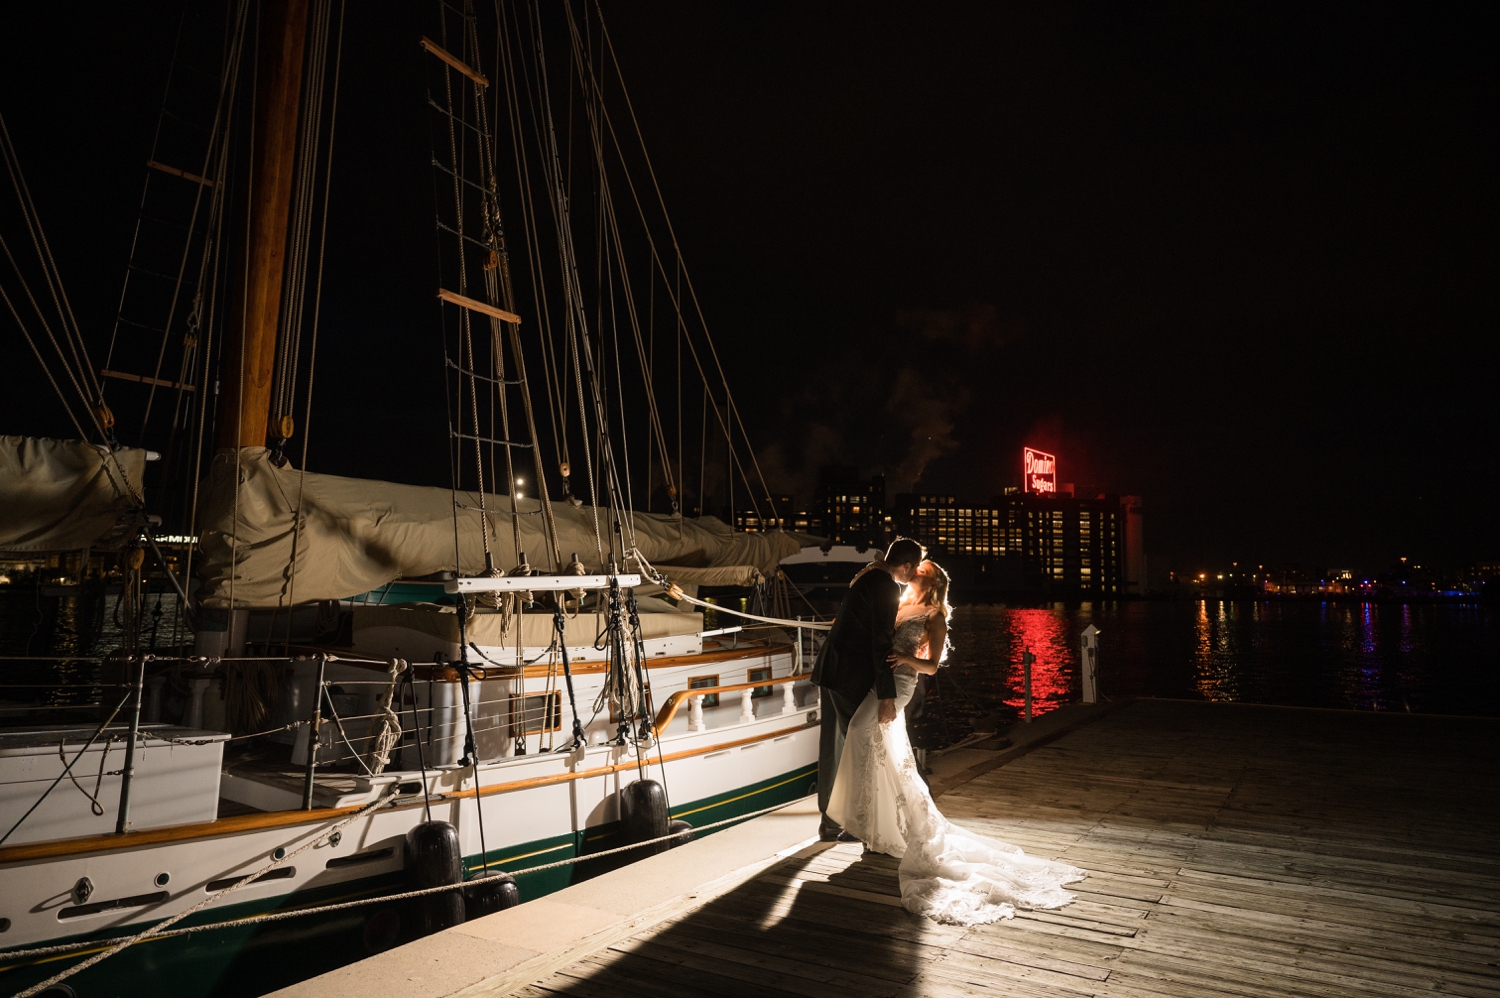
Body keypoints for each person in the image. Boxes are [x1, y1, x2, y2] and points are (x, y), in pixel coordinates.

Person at [826, 558, 1087, 925]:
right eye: (917, 565)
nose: (918, 568)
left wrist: (903, 657)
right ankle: (876, 826)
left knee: (859, 733)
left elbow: (932, 666)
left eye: (925, 568)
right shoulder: (901, 602)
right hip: (881, 680)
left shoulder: (935, 615)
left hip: (901, 683)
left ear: (933, 580)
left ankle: (869, 821)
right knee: (880, 749)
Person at [811, 537, 925, 842]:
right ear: (906, 565)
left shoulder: (869, 576)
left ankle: (830, 820)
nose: (913, 576)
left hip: (831, 668)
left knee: (832, 747)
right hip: (849, 675)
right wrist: (887, 695)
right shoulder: (887, 586)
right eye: (913, 570)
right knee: (857, 747)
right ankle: (855, 822)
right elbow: (880, 644)